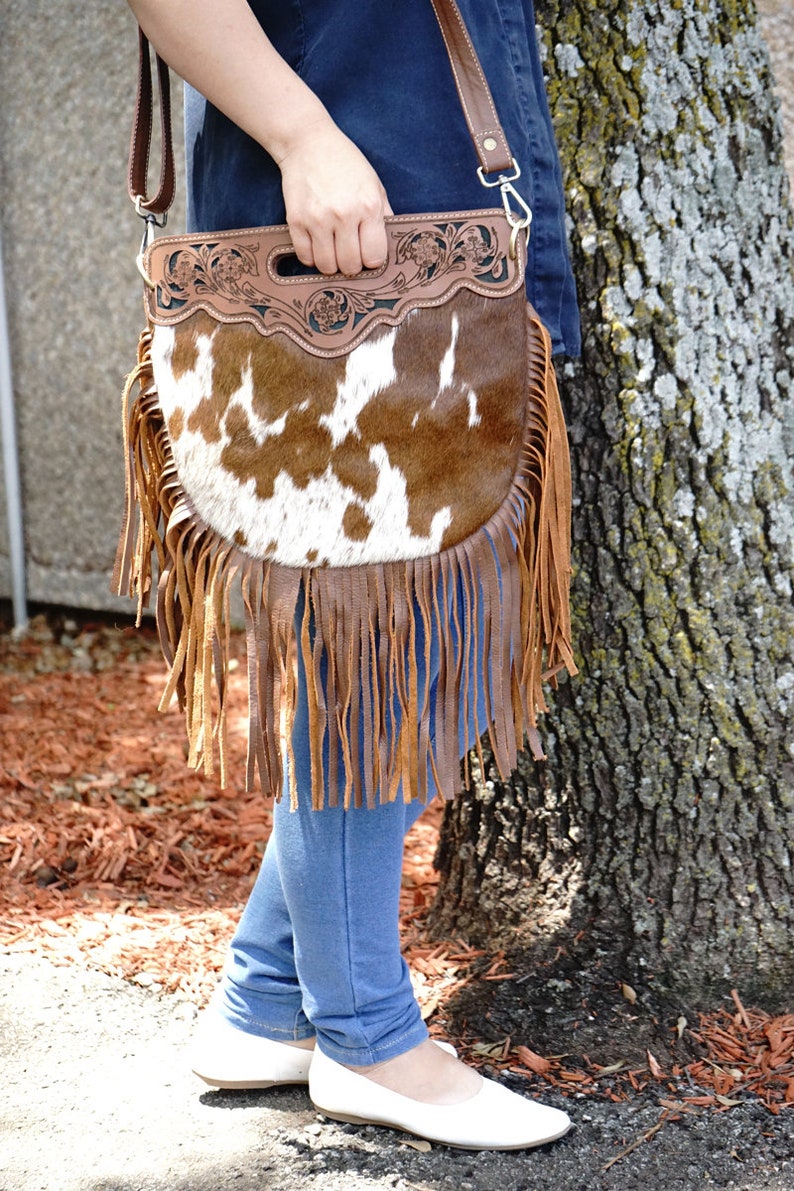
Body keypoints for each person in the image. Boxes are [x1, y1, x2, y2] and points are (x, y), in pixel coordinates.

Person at [124, 0, 580, 1151]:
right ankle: (369, 1044)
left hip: (445, 239)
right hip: (338, 258)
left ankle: (264, 1002)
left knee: (430, 657)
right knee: (372, 662)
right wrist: (302, 138)